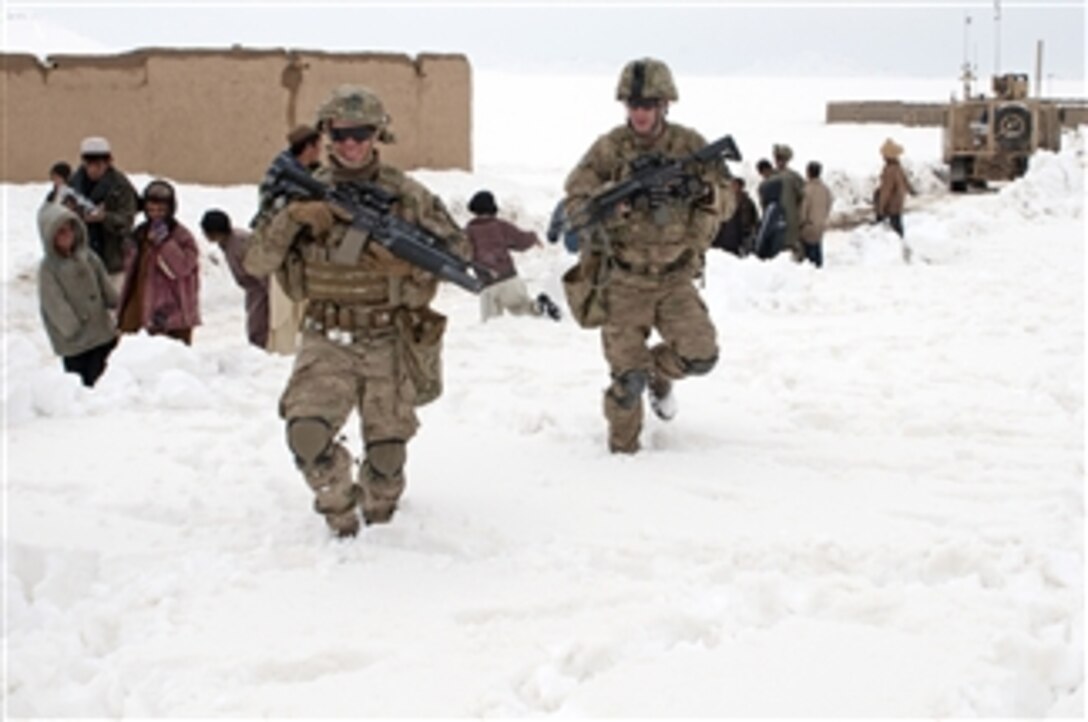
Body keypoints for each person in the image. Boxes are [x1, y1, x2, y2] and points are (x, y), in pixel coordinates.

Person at [243, 85, 472, 538]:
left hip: (389, 337)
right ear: (327, 134)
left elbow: (458, 251)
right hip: (327, 337)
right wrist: (292, 219)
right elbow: (256, 263)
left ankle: (382, 517)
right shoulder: (303, 194)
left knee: (388, 459)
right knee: (306, 435)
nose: (351, 145)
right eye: (341, 134)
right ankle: (340, 511)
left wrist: (402, 262)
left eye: (361, 134)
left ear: (377, 135)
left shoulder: (407, 195)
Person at [563, 58, 727, 455]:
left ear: (665, 105)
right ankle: (623, 462)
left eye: (648, 105)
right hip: (625, 282)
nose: (640, 113)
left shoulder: (689, 146)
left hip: (674, 279)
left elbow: (728, 199)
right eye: (633, 105)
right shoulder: (610, 149)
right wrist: (613, 204)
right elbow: (574, 203)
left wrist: (701, 191)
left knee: (702, 356)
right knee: (626, 381)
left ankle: (659, 375)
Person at [37, 202, 119, 387]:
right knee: (81, 384)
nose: (66, 236)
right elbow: (54, 302)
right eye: (59, 232)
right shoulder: (49, 269)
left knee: (106, 382)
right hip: (76, 342)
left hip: (102, 333)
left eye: (69, 230)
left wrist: (116, 302)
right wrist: (71, 327)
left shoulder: (89, 257)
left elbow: (104, 284)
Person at [254, 125, 320, 354]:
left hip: (304, 253)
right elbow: (273, 213)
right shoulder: (284, 176)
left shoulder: (309, 173)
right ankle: (283, 352)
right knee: (284, 309)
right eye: (317, 146)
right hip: (282, 251)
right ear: (308, 147)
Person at [117, 180, 201, 345]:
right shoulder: (140, 234)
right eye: (151, 210)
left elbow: (182, 268)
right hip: (139, 306)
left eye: (161, 210)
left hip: (173, 315)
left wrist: (165, 244)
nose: (155, 215)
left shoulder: (182, 237)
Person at [466, 190, 560, 322]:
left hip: (489, 284)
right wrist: (533, 238)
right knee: (524, 308)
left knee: (490, 325)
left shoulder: (469, 232)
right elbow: (520, 240)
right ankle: (539, 307)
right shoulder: (501, 226)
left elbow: (463, 252)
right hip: (510, 279)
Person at [67, 136, 139, 285]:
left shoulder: (121, 186)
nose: (93, 170)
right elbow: (55, 215)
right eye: (89, 164)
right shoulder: (73, 184)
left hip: (112, 261)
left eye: (98, 165)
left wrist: (104, 218)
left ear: (108, 162)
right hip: (79, 259)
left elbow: (127, 220)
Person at [200, 209, 269, 349]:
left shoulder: (240, 243)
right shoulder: (227, 242)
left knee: (259, 325)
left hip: (261, 287)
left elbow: (262, 269)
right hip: (253, 287)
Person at [254, 124, 323, 225]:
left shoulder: (295, 161)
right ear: (309, 147)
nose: (320, 150)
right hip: (272, 223)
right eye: (318, 145)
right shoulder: (287, 171)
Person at [772, 143, 805, 261]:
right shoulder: (771, 175)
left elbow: (803, 196)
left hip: (790, 216)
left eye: (781, 159)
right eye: (777, 158)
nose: (779, 161)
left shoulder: (793, 177)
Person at [711, 177, 759, 256]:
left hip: (740, 231)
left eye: (736, 185)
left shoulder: (747, 201)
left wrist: (751, 229)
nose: (734, 187)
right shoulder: (724, 199)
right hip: (725, 230)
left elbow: (754, 216)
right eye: (733, 185)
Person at [876, 138, 913, 238]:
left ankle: (897, 247)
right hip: (898, 203)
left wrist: (880, 208)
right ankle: (901, 244)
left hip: (892, 205)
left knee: (893, 230)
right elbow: (906, 183)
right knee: (898, 226)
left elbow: (886, 191)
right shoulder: (898, 168)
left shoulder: (889, 170)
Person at [799, 161, 833, 268]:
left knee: (808, 255)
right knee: (817, 249)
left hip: (808, 226)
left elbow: (802, 210)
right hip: (820, 224)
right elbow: (829, 204)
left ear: (808, 172)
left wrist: (801, 223)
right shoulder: (825, 189)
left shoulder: (806, 190)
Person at [753, 158, 785, 260]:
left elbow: (765, 227)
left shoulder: (768, 185)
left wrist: (757, 251)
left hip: (774, 222)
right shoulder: (783, 178)